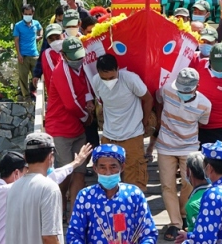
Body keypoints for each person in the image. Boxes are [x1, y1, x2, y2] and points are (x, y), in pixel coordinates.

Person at [150, 68, 211, 241]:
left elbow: (203, 122)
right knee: (167, 185)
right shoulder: (167, 89)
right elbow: (158, 99)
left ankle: (184, 213)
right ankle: (175, 223)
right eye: (180, 89)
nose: (182, 92)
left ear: (196, 87)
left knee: (188, 184)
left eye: (187, 90)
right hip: (165, 146)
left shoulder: (205, 104)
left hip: (189, 147)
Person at [44, 37, 94, 216]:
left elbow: (87, 89)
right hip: (60, 130)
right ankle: (57, 210)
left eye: (80, 56)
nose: (78, 60)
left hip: (77, 128)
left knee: (79, 171)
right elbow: (71, 104)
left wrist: (89, 104)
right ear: (63, 56)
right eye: (73, 57)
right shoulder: (61, 71)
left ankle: (75, 215)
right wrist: (86, 116)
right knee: (65, 172)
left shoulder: (82, 66)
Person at [89, 54, 153, 192]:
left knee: (135, 181)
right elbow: (102, 102)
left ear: (118, 69)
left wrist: (145, 121)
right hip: (108, 136)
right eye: (104, 78)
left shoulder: (130, 79)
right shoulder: (96, 81)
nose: (107, 81)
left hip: (133, 136)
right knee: (107, 179)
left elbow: (148, 99)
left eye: (111, 77)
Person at [13, 5, 43, 101]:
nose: (28, 16)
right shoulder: (18, 26)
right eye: (26, 14)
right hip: (23, 56)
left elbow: (41, 28)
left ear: (33, 14)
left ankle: (39, 95)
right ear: (22, 14)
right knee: (23, 77)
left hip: (34, 54)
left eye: (29, 14)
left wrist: (40, 36)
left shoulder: (36, 23)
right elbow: (16, 40)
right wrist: (19, 54)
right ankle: (26, 97)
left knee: (37, 76)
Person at [34, 23, 65, 87]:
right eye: (51, 39)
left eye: (57, 37)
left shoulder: (72, 49)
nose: (55, 41)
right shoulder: (48, 55)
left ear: (63, 35)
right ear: (47, 40)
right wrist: (37, 74)